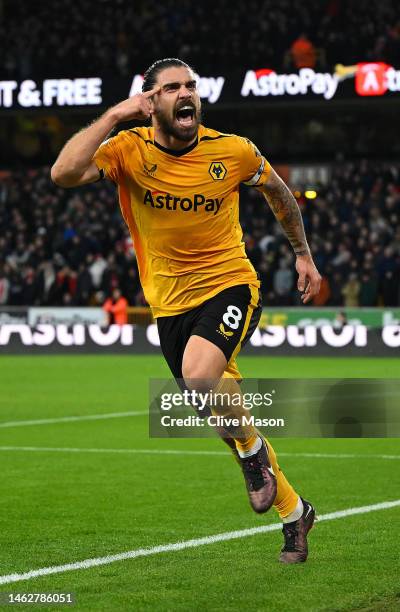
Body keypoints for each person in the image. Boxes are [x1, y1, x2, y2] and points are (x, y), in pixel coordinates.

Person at [51, 58, 321, 564]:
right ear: (150, 100)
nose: (186, 93)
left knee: (201, 378)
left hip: (230, 285)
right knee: (223, 416)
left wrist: (302, 252)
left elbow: (279, 193)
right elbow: (63, 173)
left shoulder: (232, 151)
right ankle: (294, 512)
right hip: (169, 307)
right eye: (172, 87)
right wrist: (114, 116)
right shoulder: (128, 150)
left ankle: (253, 455)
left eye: (191, 85)